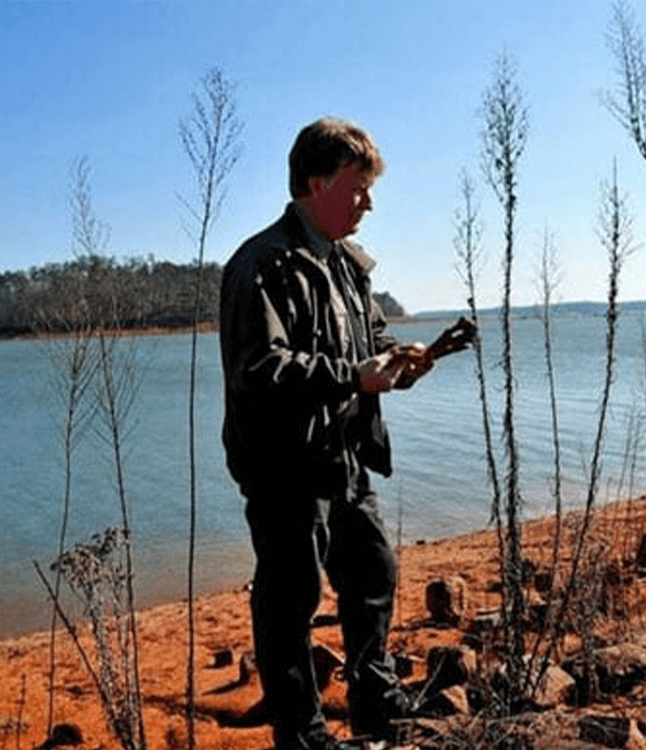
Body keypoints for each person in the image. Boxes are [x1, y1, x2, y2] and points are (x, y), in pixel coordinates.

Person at [219, 117, 433, 750]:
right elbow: (260, 370)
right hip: (283, 467)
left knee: (373, 571)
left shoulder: (345, 266)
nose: (368, 201)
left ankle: (374, 697)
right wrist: (354, 376)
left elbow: (371, 345)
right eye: (357, 187)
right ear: (315, 182)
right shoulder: (261, 264)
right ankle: (302, 733)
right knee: (291, 601)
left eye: (369, 189)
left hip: (342, 455)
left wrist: (400, 363)